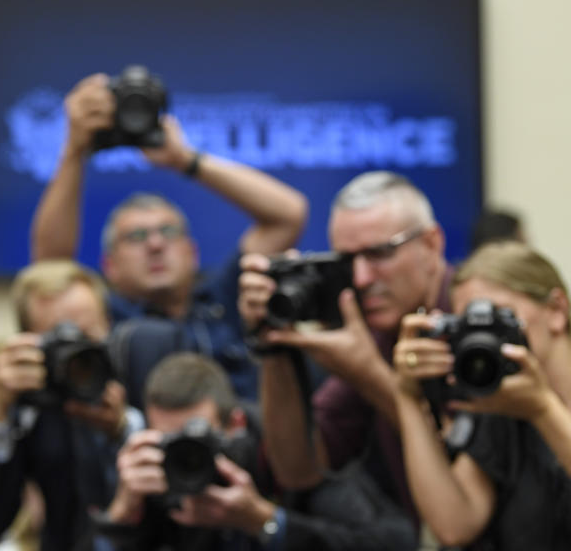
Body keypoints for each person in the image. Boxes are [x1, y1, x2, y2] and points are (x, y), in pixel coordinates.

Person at [31, 73, 308, 400]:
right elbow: (49, 270)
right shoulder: (102, 317)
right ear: (111, 266)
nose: (155, 244)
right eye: (136, 236)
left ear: (193, 253)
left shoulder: (228, 298)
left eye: (168, 232)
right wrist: (74, 152)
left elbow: (287, 215)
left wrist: (186, 160)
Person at [239, 171, 452, 520]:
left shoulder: (473, 318)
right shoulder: (378, 334)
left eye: (380, 253)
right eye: (347, 261)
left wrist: (368, 374)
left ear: (432, 244)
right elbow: (298, 469)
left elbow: (468, 469)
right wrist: (273, 342)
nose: (363, 278)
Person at [96, 352, 416, 550]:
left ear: (235, 424)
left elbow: (396, 541)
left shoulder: (287, 449)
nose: (185, 456)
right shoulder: (157, 470)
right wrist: (123, 516)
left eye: (198, 438)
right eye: (170, 443)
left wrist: (266, 522)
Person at [393, 241, 571, 549]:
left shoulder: (526, 403)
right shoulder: (503, 403)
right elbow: (454, 524)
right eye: (470, 326)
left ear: (557, 311)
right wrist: (407, 398)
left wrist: (543, 410)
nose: (483, 339)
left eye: (500, 318)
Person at [0, 260, 145, 550]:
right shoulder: (25, 404)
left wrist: (122, 429)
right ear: (28, 340)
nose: (75, 358)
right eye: (59, 342)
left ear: (108, 326)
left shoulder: (137, 371)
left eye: (86, 338)